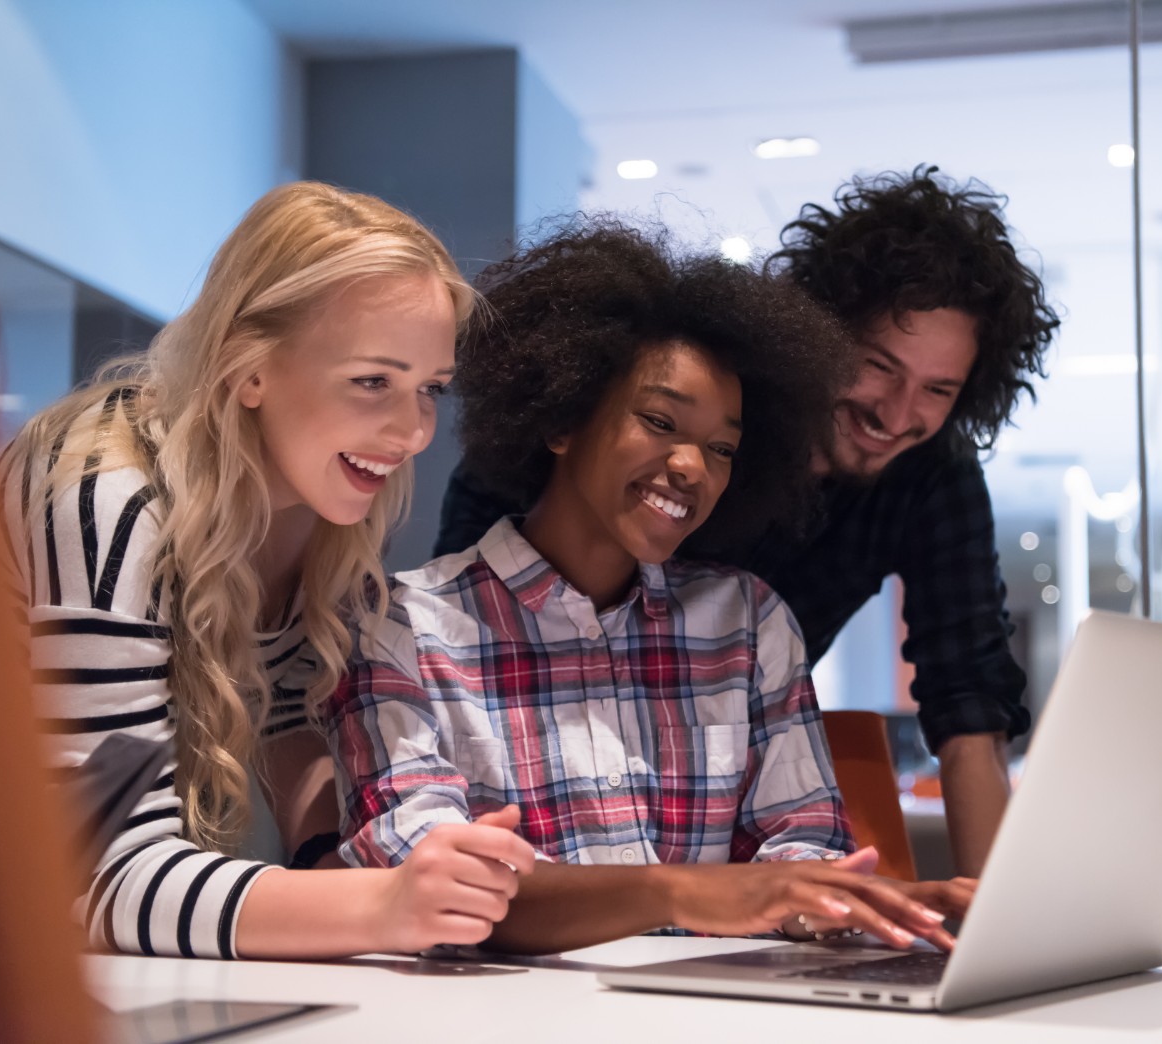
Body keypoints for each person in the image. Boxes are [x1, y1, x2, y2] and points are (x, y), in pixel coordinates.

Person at [329, 222, 974, 954]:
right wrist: (683, 888)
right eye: (661, 421)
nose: (694, 467)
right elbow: (431, 890)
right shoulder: (402, 628)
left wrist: (843, 900)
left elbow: (800, 845)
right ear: (565, 416)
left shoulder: (747, 621)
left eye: (723, 447)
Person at [436, 168, 1061, 876]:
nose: (895, 413)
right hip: (543, 775)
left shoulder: (788, 597)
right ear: (815, 338)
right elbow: (465, 645)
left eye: (937, 390)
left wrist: (992, 921)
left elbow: (968, 699)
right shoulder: (708, 416)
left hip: (731, 797)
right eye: (878, 367)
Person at [0, 182, 536, 960]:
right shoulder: (102, 500)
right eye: (372, 381)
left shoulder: (315, 496)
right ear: (249, 369)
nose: (413, 433)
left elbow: (286, 719)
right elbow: (96, 870)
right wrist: (380, 902)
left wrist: (334, 863)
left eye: (430, 391)